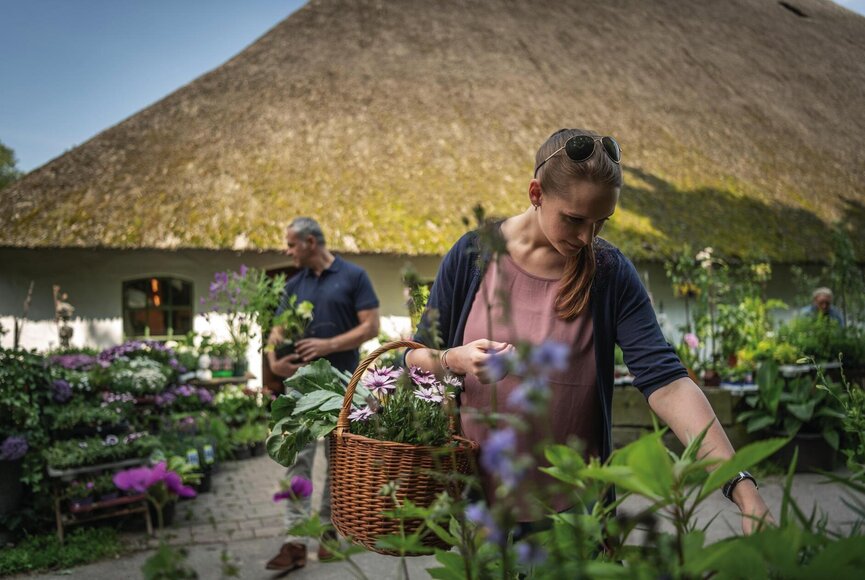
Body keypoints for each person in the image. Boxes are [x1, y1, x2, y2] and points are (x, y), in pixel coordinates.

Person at [406, 128, 772, 534]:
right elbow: (412, 357)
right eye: (575, 219)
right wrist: (452, 359)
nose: (587, 238)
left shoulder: (610, 273)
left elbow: (668, 383)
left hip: (578, 517)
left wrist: (743, 488)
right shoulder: (473, 255)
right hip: (481, 513)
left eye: (601, 222)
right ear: (536, 194)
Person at [265, 217, 380, 573]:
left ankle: (331, 532)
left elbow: (371, 325)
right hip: (300, 388)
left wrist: (329, 344)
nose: (287, 251)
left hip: (343, 385)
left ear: (311, 242)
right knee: (297, 462)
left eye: (291, 244)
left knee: (337, 462)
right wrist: (274, 360)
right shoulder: (294, 284)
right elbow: (276, 331)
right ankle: (296, 541)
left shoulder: (353, 276)